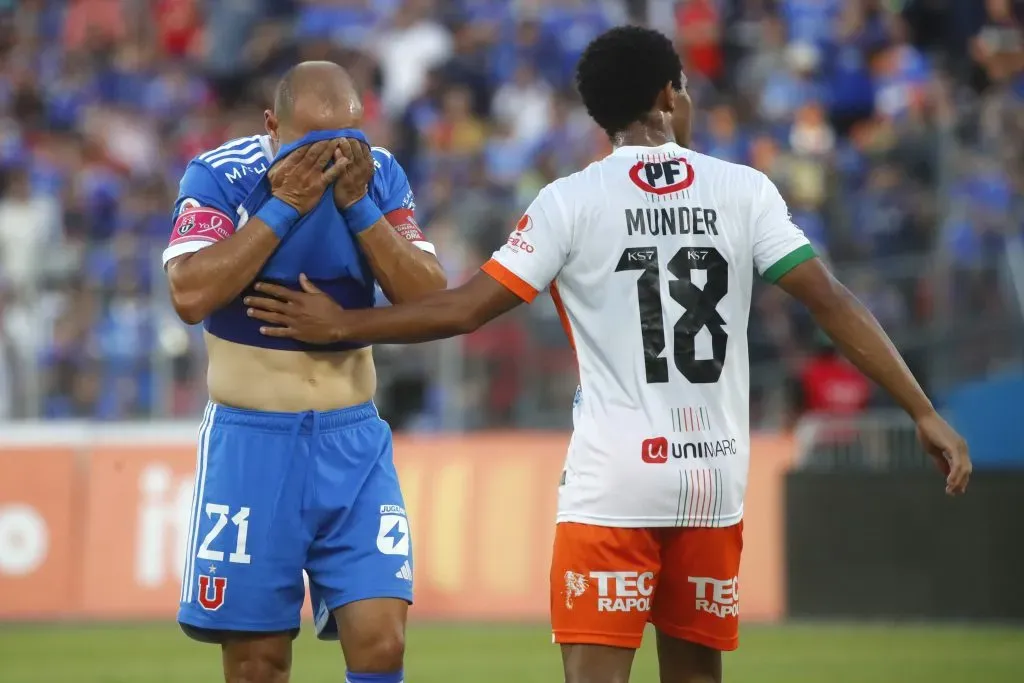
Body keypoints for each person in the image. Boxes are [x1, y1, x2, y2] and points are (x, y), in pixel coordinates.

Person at [243, 29, 971, 683]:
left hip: (615, 480)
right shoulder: (745, 191)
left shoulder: (572, 200)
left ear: (598, 116)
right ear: (666, 94)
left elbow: (464, 308)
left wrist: (346, 324)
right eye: (681, 84)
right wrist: (922, 409)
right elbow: (833, 302)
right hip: (715, 477)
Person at [164, 61, 446, 683]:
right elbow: (188, 294)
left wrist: (360, 208)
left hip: (353, 441)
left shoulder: (380, 174)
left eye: (344, 142)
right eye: (309, 144)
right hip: (252, 443)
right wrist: (283, 208)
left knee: (381, 642)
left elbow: (429, 299)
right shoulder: (221, 175)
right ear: (272, 126)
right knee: (257, 663)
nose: (329, 159)